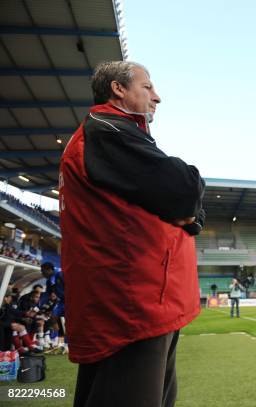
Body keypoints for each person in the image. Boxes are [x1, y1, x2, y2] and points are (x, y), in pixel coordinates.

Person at [60, 61, 205, 407]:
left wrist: (188, 211)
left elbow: (183, 203)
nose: (157, 97)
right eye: (147, 87)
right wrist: (187, 202)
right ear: (118, 89)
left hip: (142, 304)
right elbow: (184, 188)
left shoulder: (113, 133)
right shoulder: (107, 130)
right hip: (132, 309)